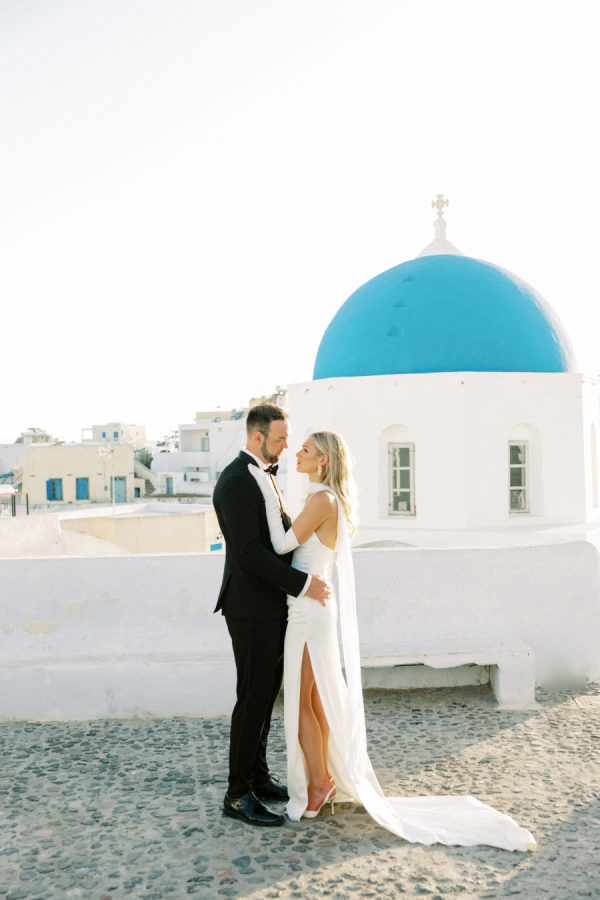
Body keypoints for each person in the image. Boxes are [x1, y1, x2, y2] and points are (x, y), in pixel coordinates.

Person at [249, 430, 537, 851]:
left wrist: (267, 496)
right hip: (310, 608)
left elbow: (280, 545)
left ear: (323, 460)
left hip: (308, 612)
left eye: (306, 449)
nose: (298, 452)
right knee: (315, 699)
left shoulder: (321, 500)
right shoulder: (323, 499)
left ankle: (318, 785)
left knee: (303, 701)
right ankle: (322, 780)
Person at [213, 404, 330, 827]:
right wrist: (301, 584)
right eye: (280, 439)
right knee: (252, 699)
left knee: (264, 698)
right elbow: (248, 553)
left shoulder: (262, 475)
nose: (285, 446)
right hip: (249, 608)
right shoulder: (235, 481)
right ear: (258, 436)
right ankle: (237, 794)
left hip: (270, 606)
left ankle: (258, 778)